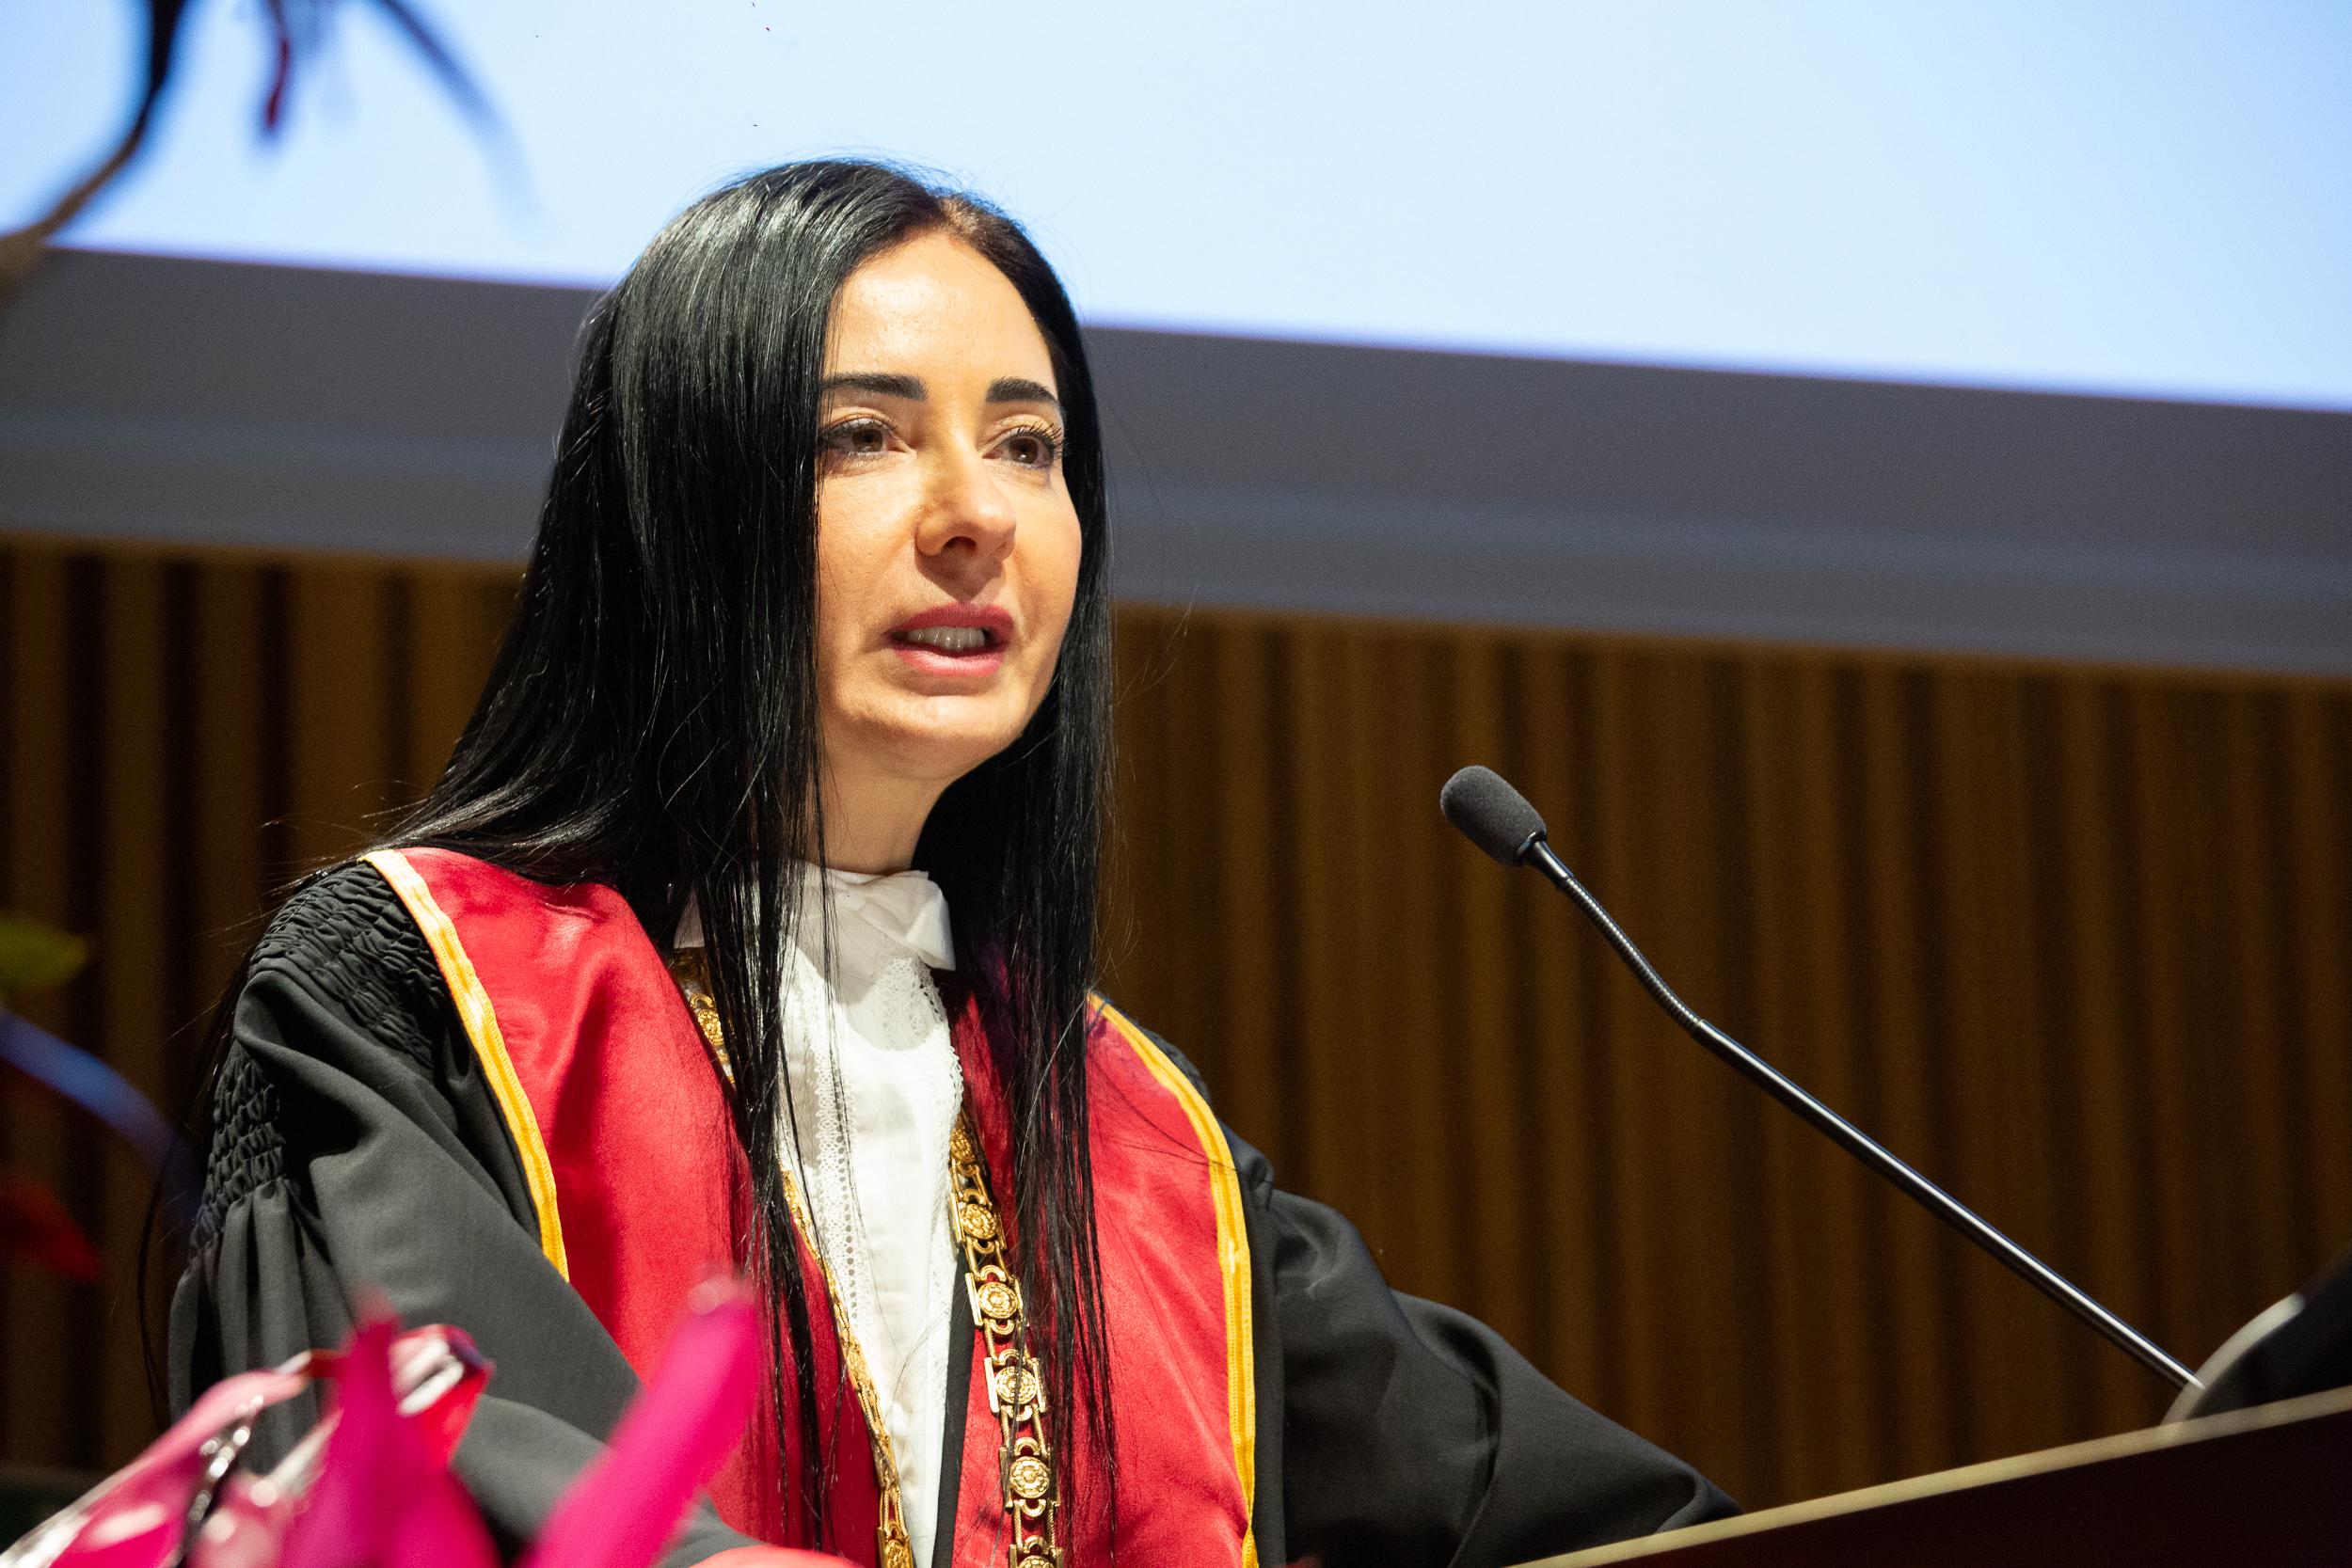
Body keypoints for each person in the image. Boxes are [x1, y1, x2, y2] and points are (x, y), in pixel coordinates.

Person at [168, 161, 1733, 1568]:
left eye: (1029, 445)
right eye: (865, 435)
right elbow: (395, 1444)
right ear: (676, 504)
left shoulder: (1132, 1138)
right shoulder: (410, 993)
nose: (976, 513)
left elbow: (1597, 1516)